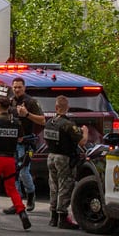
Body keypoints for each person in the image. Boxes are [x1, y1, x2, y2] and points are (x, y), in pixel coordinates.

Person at [0, 96, 31, 231]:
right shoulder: (16, 123)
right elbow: (20, 139)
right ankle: (22, 213)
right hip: (10, 160)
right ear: (9, 107)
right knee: (12, 189)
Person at [43, 95, 86, 229]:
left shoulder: (49, 122)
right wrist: (85, 132)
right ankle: (63, 217)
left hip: (51, 156)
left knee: (53, 187)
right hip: (64, 158)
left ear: (56, 108)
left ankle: (53, 217)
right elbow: (82, 141)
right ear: (67, 108)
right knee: (64, 187)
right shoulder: (67, 124)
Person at [4, 76, 43, 214]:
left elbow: (43, 121)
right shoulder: (10, 102)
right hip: (11, 143)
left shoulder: (31, 102)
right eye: (15, 87)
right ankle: (17, 202)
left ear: (24, 87)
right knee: (12, 173)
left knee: (23, 172)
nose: (17, 90)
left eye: (19, 87)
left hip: (26, 143)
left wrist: (27, 115)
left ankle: (31, 195)